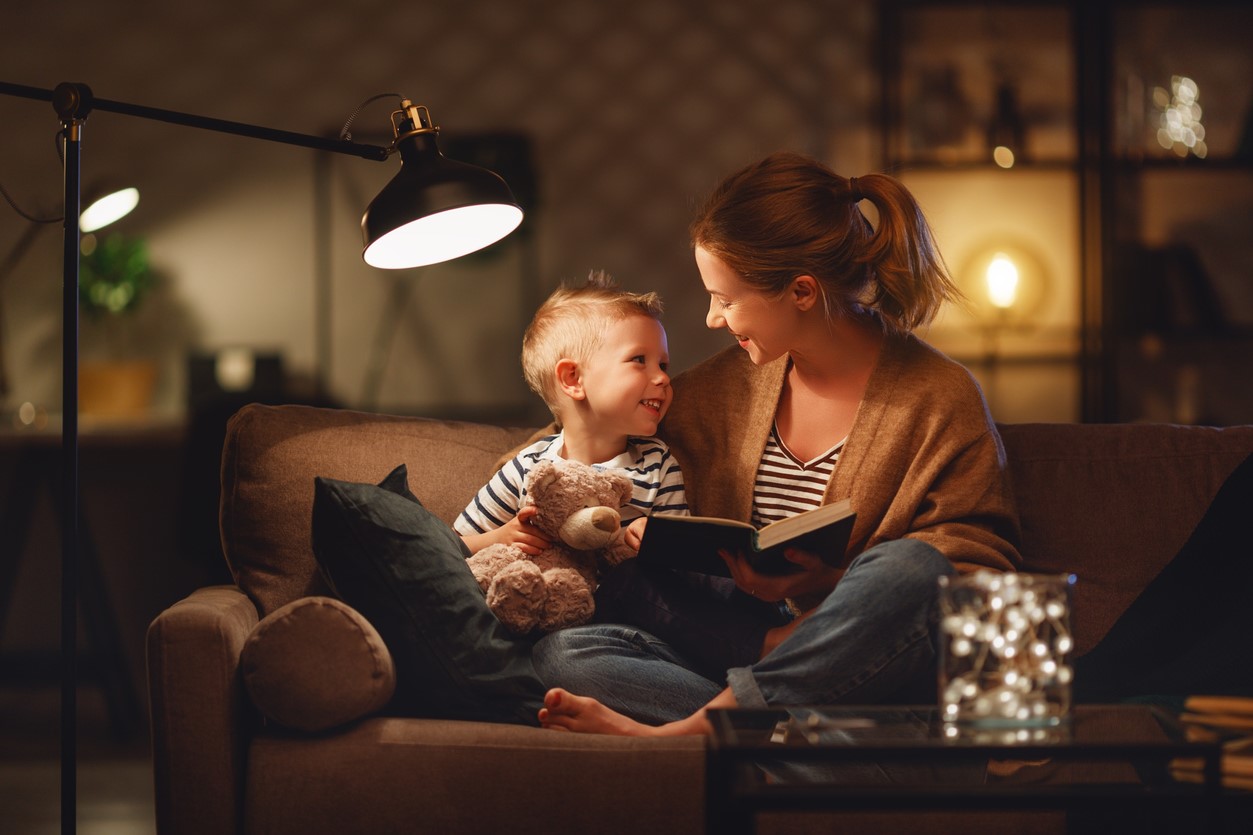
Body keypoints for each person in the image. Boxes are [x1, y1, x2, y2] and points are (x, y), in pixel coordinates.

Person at [533, 151, 1022, 736]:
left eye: (726, 299)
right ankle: (784, 733)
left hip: (866, 666)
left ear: (802, 291)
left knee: (913, 569)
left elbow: (972, 574)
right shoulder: (718, 390)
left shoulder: (939, 397)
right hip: (738, 647)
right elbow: (580, 437)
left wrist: (830, 583)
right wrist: (527, 508)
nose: (713, 319)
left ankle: (701, 733)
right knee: (566, 654)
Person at [454, 271, 688, 557]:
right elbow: (450, 546)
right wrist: (499, 538)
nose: (663, 378)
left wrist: (654, 537)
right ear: (573, 379)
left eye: (663, 365)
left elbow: (686, 558)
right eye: (639, 360)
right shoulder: (527, 468)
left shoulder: (658, 465)